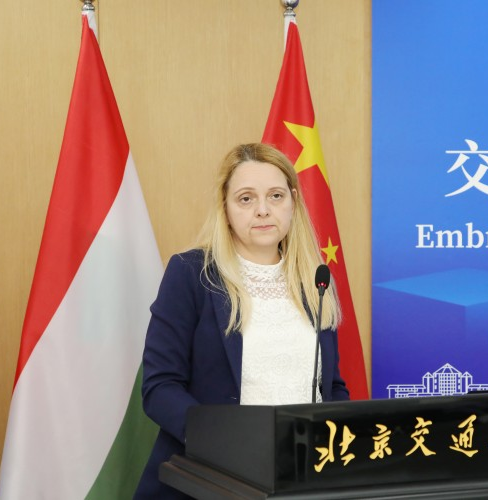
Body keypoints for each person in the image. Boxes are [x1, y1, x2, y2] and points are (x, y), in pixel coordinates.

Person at [134, 143, 349, 499]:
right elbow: (160, 387)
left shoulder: (315, 281)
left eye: (276, 196)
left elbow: (332, 389)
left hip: (302, 481)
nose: (263, 210)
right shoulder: (192, 274)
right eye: (246, 199)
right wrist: (223, 443)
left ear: (293, 201)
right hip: (212, 479)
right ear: (226, 207)